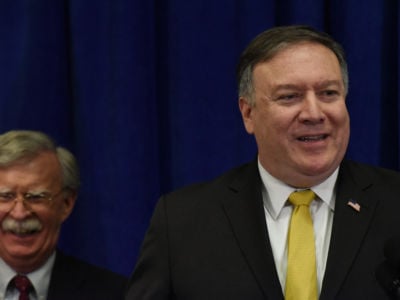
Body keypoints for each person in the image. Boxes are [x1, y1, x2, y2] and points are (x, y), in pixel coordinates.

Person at [125, 25, 400, 299]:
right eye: (289, 96)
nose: (313, 113)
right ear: (248, 113)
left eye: (328, 93)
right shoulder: (181, 222)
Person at [0, 130, 127, 299]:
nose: (20, 213)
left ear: (66, 204)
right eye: (5, 196)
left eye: (37, 197)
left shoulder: (117, 294)